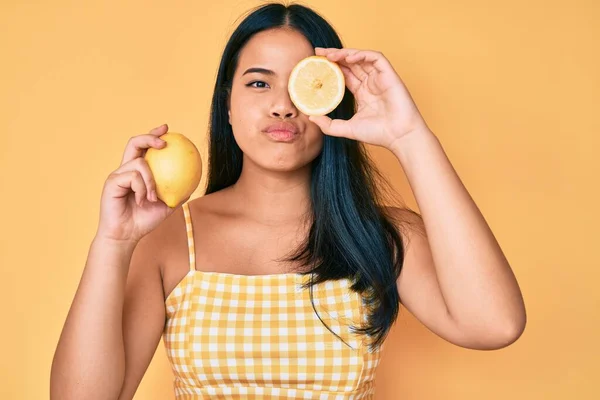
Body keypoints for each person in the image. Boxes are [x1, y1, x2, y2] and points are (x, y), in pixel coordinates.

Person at [50, 2, 526, 399]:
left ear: (335, 100)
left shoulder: (381, 235)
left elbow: (495, 325)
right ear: (228, 104)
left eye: (304, 84)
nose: (282, 105)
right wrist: (113, 242)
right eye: (259, 83)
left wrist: (409, 136)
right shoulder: (169, 236)